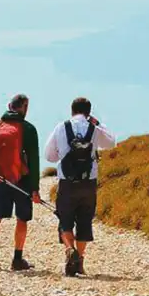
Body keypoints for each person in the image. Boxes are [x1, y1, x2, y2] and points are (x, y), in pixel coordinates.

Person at [45, 97, 116, 276]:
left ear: (72, 110)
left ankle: (70, 250)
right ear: (88, 112)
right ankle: (80, 261)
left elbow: (50, 156)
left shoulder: (61, 127)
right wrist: (97, 123)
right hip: (88, 182)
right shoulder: (94, 129)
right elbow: (111, 142)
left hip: (67, 182)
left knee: (65, 219)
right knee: (84, 221)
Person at [0, 94, 41, 271]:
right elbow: (34, 161)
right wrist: (35, 188)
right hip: (22, 181)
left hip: (0, 178)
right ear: (25, 107)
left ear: (9, 105)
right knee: (22, 219)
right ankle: (17, 258)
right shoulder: (28, 129)